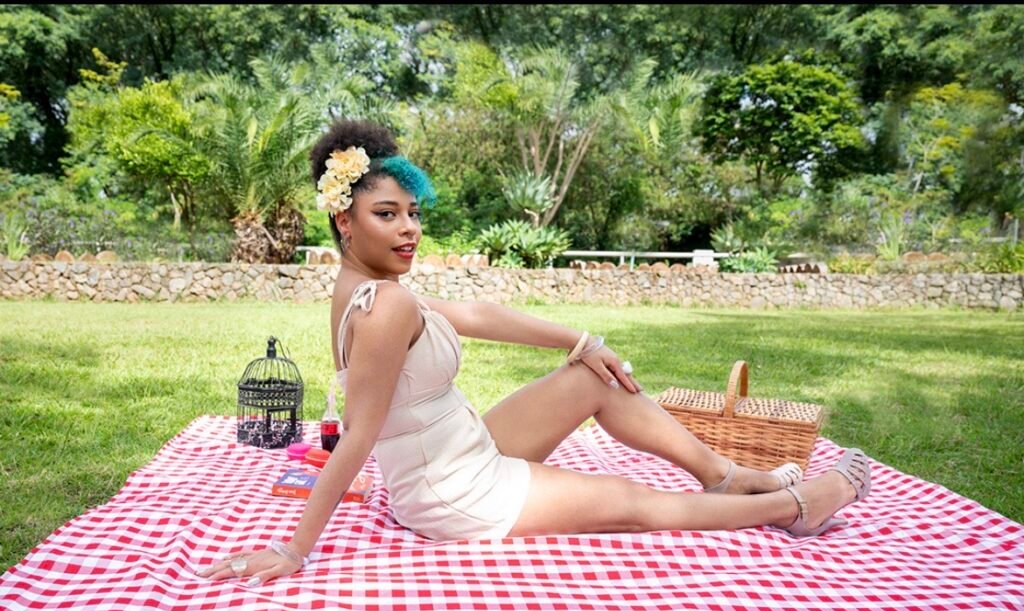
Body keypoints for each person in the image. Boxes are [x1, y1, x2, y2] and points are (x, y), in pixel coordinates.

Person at [198, 119, 871, 587]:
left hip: (460, 450)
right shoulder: (386, 304)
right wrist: (295, 547)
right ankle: (794, 508)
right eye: (387, 215)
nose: (409, 229)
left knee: (591, 376)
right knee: (632, 503)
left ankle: (722, 474)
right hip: (455, 491)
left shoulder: (368, 288)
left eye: (413, 212)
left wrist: (580, 340)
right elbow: (358, 435)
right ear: (344, 220)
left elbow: (476, 315)